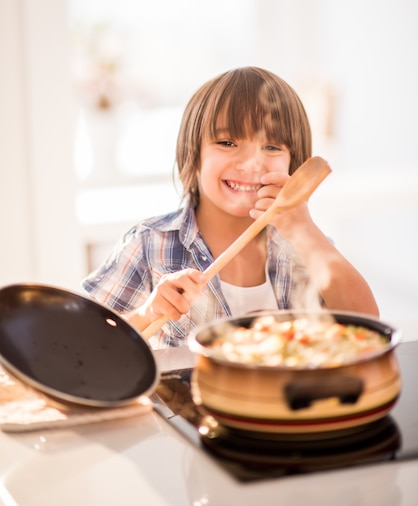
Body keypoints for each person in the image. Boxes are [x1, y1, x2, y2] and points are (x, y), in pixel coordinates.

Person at [82, 66, 379, 348]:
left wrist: (306, 232)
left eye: (272, 147)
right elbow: (86, 341)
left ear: (294, 164)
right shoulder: (150, 244)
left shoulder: (306, 246)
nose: (250, 163)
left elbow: (368, 326)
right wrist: (146, 313)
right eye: (226, 142)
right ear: (194, 155)